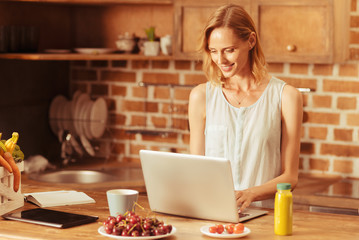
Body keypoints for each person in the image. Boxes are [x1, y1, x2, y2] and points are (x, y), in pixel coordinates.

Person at [188, 4, 302, 212]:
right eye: (213, 51)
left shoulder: (286, 97)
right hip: (215, 217)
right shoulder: (201, 96)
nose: (220, 60)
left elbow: (290, 177)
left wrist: (249, 194)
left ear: (250, 41)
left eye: (229, 50)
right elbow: (197, 170)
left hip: (265, 217)